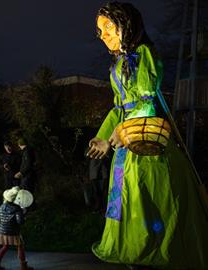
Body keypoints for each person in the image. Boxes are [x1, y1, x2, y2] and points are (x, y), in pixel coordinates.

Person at [87, 2, 208, 269]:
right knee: (125, 201)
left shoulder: (143, 54)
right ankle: (131, 251)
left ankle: (151, 252)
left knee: (149, 202)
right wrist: (105, 136)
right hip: (124, 150)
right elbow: (119, 107)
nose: (104, 35)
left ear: (127, 26)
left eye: (109, 27)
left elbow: (146, 100)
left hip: (146, 145)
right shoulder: (118, 64)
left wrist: (122, 130)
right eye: (100, 30)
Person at [0, 186, 33, 270]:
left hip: (3, 231)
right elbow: (20, 222)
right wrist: (23, 213)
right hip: (13, 231)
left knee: (5, 247)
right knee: (20, 246)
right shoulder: (17, 209)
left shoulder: (2, 206)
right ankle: (23, 266)